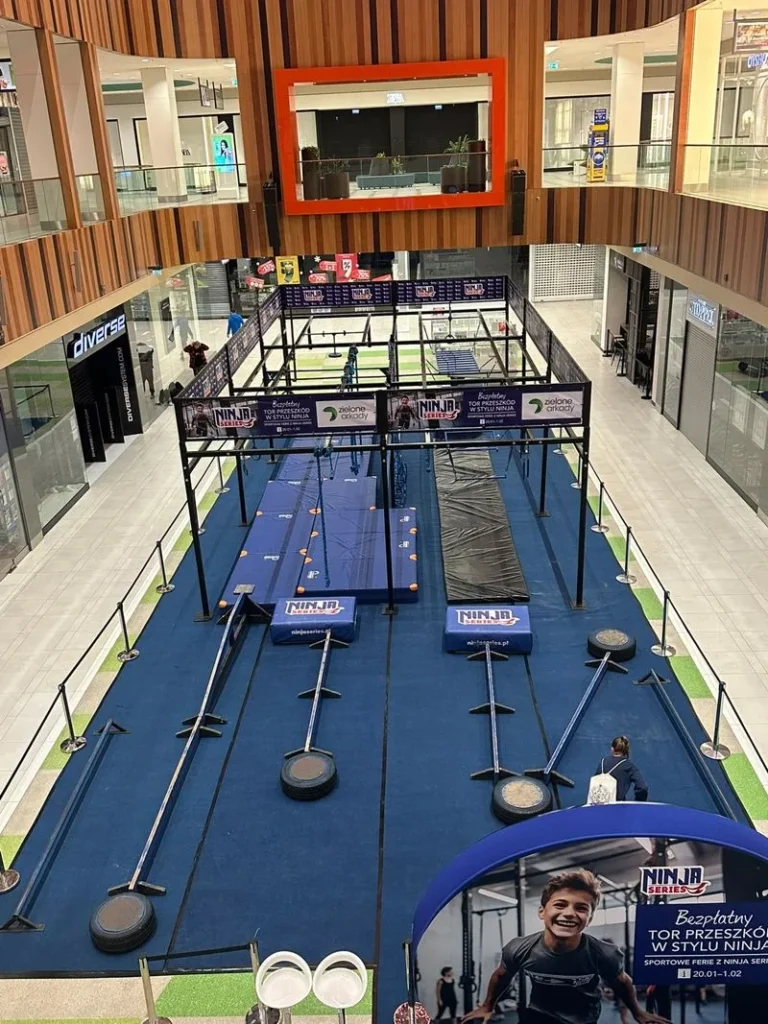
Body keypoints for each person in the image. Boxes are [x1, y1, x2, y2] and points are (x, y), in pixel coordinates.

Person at [462, 869, 671, 1024]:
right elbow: (501, 975)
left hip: (583, 1020)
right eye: (560, 905)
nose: (569, 913)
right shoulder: (519, 948)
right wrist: (487, 1006)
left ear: (589, 919)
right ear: (542, 911)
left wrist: (637, 1012)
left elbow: (623, 982)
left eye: (581, 908)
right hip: (537, 1017)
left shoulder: (604, 953)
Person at [594, 737, 648, 802]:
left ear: (612, 749)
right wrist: (639, 801)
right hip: (617, 805)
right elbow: (642, 788)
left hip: (598, 804)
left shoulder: (603, 762)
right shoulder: (629, 765)